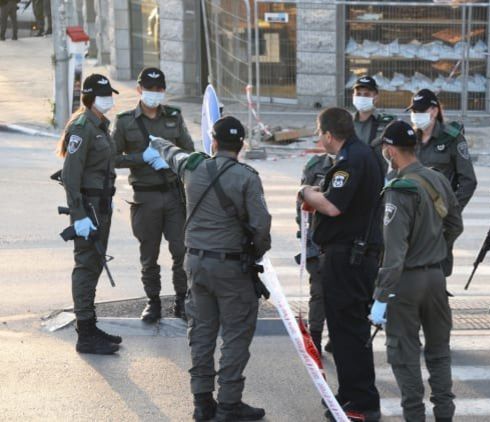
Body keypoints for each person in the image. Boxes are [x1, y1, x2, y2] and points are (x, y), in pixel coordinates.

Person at [149, 116, 271, 422]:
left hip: (196, 264)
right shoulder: (247, 177)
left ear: (213, 142)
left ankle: (202, 402)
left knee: (201, 332)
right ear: (241, 146)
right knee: (235, 335)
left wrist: (156, 141)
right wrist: (257, 252)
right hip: (232, 267)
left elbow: (171, 153)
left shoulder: (193, 167)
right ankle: (229, 404)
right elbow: (261, 226)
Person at [370, 120, 463, 422]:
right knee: (439, 351)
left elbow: (394, 251)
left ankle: (414, 416)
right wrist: (435, 248)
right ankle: (445, 414)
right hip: (435, 279)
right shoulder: (437, 179)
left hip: (406, 282)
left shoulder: (400, 189)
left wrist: (381, 295)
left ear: (391, 150)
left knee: (404, 353)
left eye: (385, 149)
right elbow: (455, 225)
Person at [299, 107, 382, 421]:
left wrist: (306, 193)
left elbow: (333, 206)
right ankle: (350, 395)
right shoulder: (360, 155)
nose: (318, 137)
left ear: (329, 135)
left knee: (348, 331)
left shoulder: (351, 160)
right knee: (346, 331)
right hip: (351, 255)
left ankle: (362, 402)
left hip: (349, 257)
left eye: (319, 132)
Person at [112, 67, 195, 323]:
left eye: (159, 89)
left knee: (181, 251)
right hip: (145, 197)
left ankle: (182, 300)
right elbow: (112, 158)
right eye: (149, 89)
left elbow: (189, 152)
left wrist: (170, 160)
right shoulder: (125, 121)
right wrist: (142, 158)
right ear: (139, 90)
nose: (154, 94)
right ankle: (153, 301)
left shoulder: (174, 116)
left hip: (173, 195)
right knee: (149, 254)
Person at [55, 74, 120, 355]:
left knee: (94, 264)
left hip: (101, 205)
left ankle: (90, 326)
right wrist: (79, 215)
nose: (109, 99)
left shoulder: (100, 126)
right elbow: (70, 176)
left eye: (110, 94)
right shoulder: (82, 128)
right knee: (86, 265)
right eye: (104, 95)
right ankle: (85, 333)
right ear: (91, 98)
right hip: (88, 208)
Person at [408, 88, 477, 211]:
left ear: (435, 111)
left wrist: (452, 211)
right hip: (413, 211)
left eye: (421, 111)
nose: (417, 115)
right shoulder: (409, 139)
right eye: (414, 111)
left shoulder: (451, 138)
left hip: (439, 213)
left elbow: (468, 181)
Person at [296, 150, 334, 354]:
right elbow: (301, 202)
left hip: (344, 242)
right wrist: (307, 235)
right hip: (317, 241)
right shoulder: (316, 165)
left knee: (341, 293)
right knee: (318, 292)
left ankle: (336, 337)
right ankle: (316, 337)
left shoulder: (356, 163)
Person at [351, 75, 394, 171]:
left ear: (376, 97)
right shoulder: (346, 122)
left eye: (366, 94)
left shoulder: (388, 123)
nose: (362, 97)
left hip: (378, 175)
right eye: (358, 94)